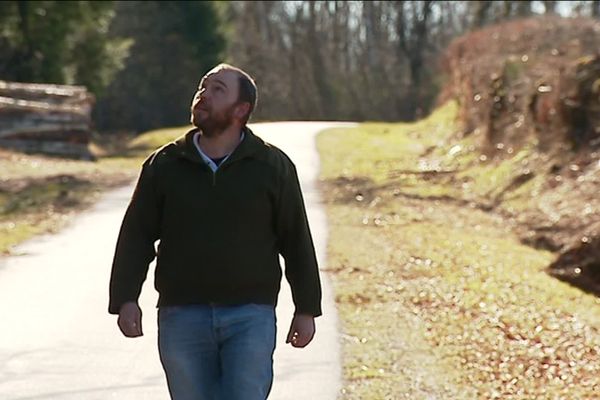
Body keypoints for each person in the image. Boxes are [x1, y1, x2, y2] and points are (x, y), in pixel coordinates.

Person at [108, 63, 322, 400]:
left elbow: (296, 240)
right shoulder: (165, 165)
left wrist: (306, 307)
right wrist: (125, 298)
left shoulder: (271, 167)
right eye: (203, 87)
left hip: (251, 315)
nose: (203, 95)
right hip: (181, 316)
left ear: (241, 110)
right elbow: (136, 235)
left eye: (217, 89)